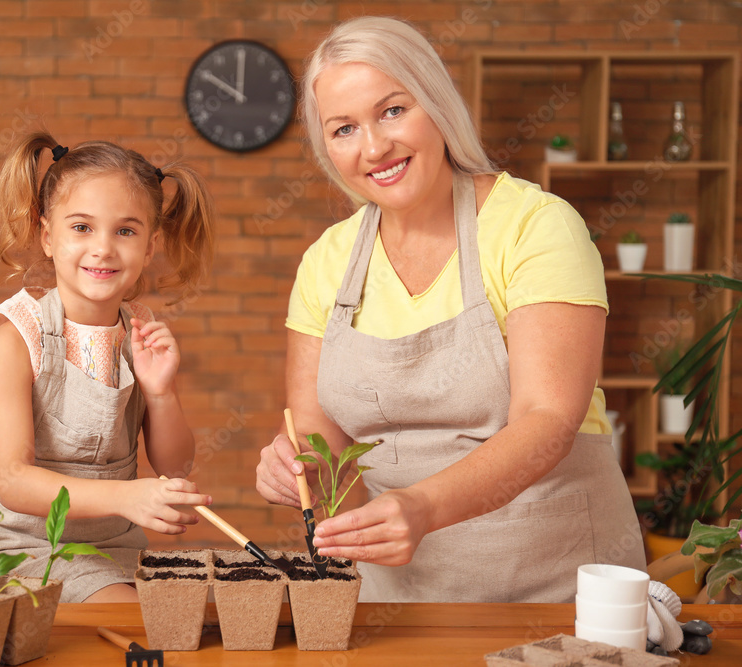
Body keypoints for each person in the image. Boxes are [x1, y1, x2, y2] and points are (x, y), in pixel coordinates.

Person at [255, 16, 646, 603]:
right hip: (399, 594)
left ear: (436, 103)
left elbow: (547, 421)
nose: (374, 147)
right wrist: (299, 466)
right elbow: (319, 434)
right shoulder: (326, 261)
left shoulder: (535, 226)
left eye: (393, 110)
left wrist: (420, 506)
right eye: (343, 129)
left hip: (554, 586)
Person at [0, 134, 216, 603]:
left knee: (202, 619)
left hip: (115, 550)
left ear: (150, 247)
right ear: (49, 237)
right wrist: (129, 498)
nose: (104, 248)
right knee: (140, 626)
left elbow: (176, 466)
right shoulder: (16, 336)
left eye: (125, 231)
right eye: (82, 228)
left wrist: (161, 393)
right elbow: (12, 481)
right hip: (18, 549)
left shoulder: (140, 334)